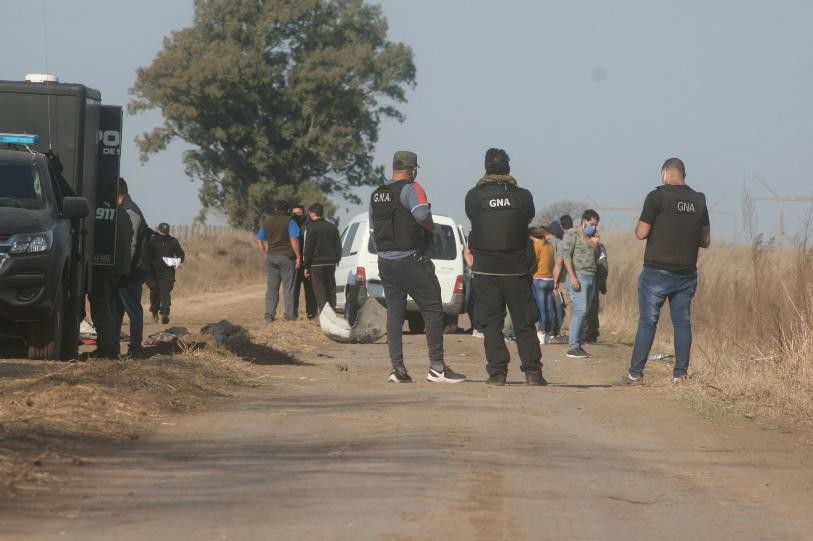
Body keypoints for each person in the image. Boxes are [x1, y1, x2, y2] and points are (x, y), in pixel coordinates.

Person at [370, 150, 465, 384]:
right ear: (413, 170)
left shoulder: (376, 195)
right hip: (411, 259)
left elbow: (374, 231)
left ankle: (398, 369)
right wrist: (431, 228)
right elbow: (422, 213)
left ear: (393, 167)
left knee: (395, 314)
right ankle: (437, 368)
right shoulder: (412, 188)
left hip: (385, 262)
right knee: (432, 309)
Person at [620, 158, 710, 385]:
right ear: (683, 174)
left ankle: (635, 374)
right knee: (682, 323)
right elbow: (705, 240)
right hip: (687, 273)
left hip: (656, 272)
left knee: (648, 322)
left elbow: (641, 233)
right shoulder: (699, 200)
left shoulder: (657, 197)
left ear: (665, 173)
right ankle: (680, 375)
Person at [465, 148, 545, 386]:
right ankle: (533, 373)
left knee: (491, 324)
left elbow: (473, 217)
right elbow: (528, 218)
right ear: (508, 168)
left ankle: (497, 373)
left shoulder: (474, 196)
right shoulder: (523, 196)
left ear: (486, 167)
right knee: (524, 323)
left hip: (486, 270)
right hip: (517, 270)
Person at [89, 200, 132, 358]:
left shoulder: (100, 209)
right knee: (111, 306)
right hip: (119, 267)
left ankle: (106, 349)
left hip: (102, 267)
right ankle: (112, 347)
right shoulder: (122, 213)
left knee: (101, 305)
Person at [557, 209, 601, 359]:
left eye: (596, 225)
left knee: (584, 313)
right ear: (584, 221)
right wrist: (573, 277)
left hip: (590, 277)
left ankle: (577, 345)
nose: (594, 227)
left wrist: (596, 244)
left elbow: (596, 256)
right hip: (579, 276)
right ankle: (572, 347)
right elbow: (566, 256)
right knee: (580, 311)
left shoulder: (592, 237)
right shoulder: (572, 234)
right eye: (592, 224)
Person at [113, 178, 150, 353]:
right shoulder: (127, 209)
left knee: (133, 310)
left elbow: (132, 246)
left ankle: (135, 347)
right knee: (118, 309)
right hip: (128, 271)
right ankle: (113, 346)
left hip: (131, 272)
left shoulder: (130, 213)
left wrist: (122, 269)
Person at [256, 200, 301, 322]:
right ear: (287, 211)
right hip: (287, 257)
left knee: (272, 287)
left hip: (271, 257)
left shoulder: (267, 222)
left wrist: (265, 253)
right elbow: (294, 240)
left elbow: (259, 240)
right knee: (288, 287)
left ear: (275, 210)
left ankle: (269, 316)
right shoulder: (290, 221)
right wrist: (298, 256)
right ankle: (289, 316)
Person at [302, 203, 342, 313]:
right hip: (330, 263)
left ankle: (325, 315)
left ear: (311, 214)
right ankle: (332, 312)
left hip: (316, 264)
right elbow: (338, 245)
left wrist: (306, 266)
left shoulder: (310, 229)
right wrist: (337, 259)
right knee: (331, 289)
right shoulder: (332, 227)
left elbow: (308, 249)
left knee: (320, 290)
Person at [146, 223, 185, 324]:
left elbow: (180, 254)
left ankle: (164, 314)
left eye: (165, 232)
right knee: (154, 292)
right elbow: (144, 254)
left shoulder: (173, 241)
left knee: (165, 292)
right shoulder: (150, 241)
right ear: (158, 230)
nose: (163, 234)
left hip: (167, 272)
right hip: (152, 272)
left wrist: (178, 260)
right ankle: (154, 312)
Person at [530, 226, 556, 345]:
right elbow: (553, 263)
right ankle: (548, 333)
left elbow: (533, 261)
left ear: (534, 236)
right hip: (550, 279)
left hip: (538, 279)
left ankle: (540, 332)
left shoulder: (537, 245)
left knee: (541, 308)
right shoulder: (550, 246)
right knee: (549, 307)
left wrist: (529, 272)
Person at [291, 204, 317, 319]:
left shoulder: (310, 225)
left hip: (308, 262)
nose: (296, 216)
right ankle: (293, 314)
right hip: (294, 262)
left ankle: (311, 314)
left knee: (310, 290)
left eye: (299, 213)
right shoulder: (290, 224)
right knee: (294, 290)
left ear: (304, 213)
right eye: (294, 213)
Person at [550, 216, 571, 339]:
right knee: (563, 306)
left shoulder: (550, 242)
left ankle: (554, 330)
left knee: (555, 305)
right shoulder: (562, 241)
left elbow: (558, 263)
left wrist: (554, 281)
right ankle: (560, 329)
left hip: (555, 278)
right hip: (565, 277)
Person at [583, 243, 608, 343]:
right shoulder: (600, 247)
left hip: (580, 280)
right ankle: (591, 334)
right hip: (593, 280)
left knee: (583, 308)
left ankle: (583, 333)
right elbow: (603, 266)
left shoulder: (578, 244)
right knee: (592, 308)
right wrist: (602, 284)